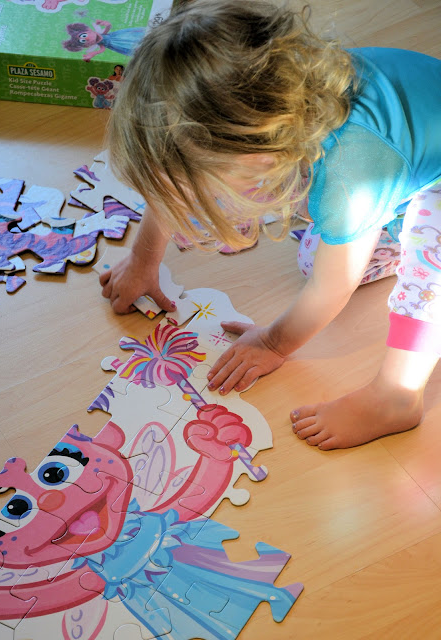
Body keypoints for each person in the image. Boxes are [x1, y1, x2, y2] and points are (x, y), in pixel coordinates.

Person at [100, 0, 441, 450]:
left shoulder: (349, 175)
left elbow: (333, 287)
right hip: (406, 162)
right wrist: (143, 261)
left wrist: (274, 343)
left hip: (405, 173)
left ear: (260, 157)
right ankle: (391, 214)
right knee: (315, 256)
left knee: (424, 258)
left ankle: (396, 396)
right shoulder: (268, 98)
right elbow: (173, 180)